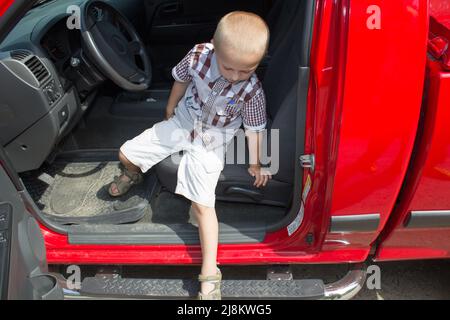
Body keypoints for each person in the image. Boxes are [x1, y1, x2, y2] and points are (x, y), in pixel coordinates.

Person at [108, 11, 271, 300]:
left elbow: (255, 129)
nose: (235, 76)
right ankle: (133, 172)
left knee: (202, 204)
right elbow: (181, 79)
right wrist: (171, 107)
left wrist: (256, 162)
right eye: (228, 67)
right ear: (213, 46)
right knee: (126, 153)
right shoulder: (198, 55)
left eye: (245, 70)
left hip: (213, 137)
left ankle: (210, 271)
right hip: (184, 119)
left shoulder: (252, 90)